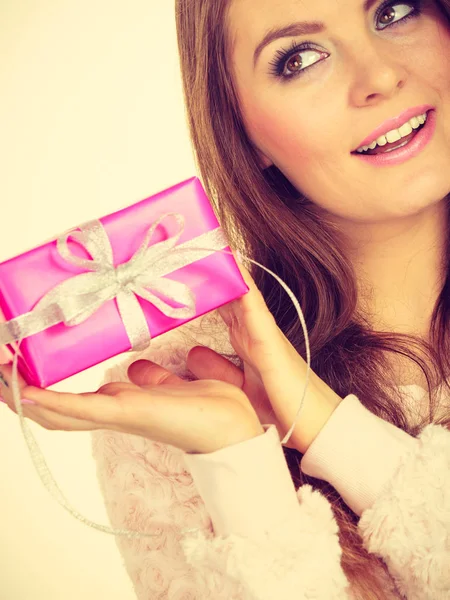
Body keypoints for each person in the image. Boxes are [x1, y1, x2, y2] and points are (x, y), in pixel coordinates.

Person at [1, 0, 449, 598]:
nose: (379, 78)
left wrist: (326, 427)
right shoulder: (171, 391)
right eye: (300, 57)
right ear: (241, 129)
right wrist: (234, 460)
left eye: (394, 11)